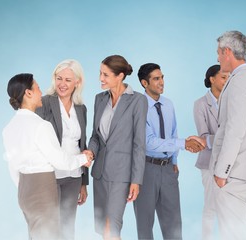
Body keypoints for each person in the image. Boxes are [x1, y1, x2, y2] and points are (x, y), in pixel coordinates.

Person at [2, 73, 92, 240]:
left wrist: (25, 188)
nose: (40, 91)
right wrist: (83, 158)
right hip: (43, 187)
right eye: (37, 88)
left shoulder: (8, 128)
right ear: (28, 93)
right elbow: (60, 161)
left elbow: (12, 167)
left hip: (24, 189)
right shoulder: (41, 126)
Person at [134, 63, 205, 240]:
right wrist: (184, 143)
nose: (162, 82)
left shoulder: (168, 104)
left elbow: (173, 132)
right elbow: (149, 143)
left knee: (173, 224)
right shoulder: (138, 107)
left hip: (168, 171)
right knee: (145, 224)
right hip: (145, 169)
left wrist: (174, 161)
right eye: (156, 79)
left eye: (162, 77)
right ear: (144, 83)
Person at [209, 30, 246, 240]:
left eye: (218, 52)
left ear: (227, 51)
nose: (217, 57)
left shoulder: (240, 82)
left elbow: (235, 131)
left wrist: (221, 172)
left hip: (235, 175)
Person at [86, 55, 148, 240]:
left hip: (121, 175)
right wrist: (91, 151)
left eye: (105, 74)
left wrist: (136, 180)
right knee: (102, 227)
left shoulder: (137, 101)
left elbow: (139, 143)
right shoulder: (99, 99)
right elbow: (96, 136)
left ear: (120, 76)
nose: (100, 78)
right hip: (99, 174)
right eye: (100, 73)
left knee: (111, 227)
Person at [36, 59, 89, 240]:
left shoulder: (81, 109)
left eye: (68, 80)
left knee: (67, 227)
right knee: (48, 228)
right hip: (50, 175)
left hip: (73, 176)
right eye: (59, 78)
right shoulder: (43, 103)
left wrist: (83, 182)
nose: (62, 84)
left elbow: (83, 145)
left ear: (77, 82)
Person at [193, 64, 229, 240]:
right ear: (212, 79)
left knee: (228, 207)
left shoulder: (231, 101)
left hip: (230, 162)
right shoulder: (200, 104)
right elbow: (204, 138)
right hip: (209, 163)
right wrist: (228, 138)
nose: (226, 80)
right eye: (223, 77)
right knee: (211, 206)